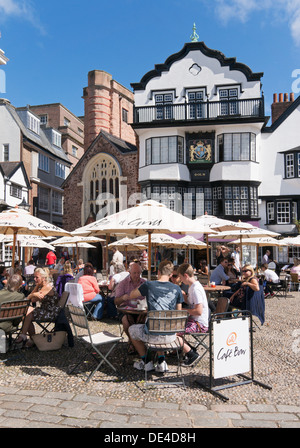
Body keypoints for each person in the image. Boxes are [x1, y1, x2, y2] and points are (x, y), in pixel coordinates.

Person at [128, 260, 184, 373]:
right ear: (171, 274)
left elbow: (131, 295)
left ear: (158, 272)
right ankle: (161, 361)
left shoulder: (149, 285)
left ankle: (146, 361)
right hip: (171, 336)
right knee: (161, 323)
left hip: (153, 336)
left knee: (131, 329)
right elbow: (179, 313)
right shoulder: (177, 289)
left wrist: (142, 289)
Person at [15, 268, 61, 347]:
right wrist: (36, 288)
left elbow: (31, 300)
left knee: (27, 312)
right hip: (45, 310)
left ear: (43, 278)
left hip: (51, 312)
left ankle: (26, 337)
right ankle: (31, 338)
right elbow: (30, 298)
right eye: (34, 277)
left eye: (37, 277)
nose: (34, 279)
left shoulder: (47, 287)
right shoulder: (41, 286)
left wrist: (32, 295)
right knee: (27, 312)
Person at [177, 263, 209, 366]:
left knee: (172, 333)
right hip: (195, 320)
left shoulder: (195, 289)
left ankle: (191, 354)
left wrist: (183, 310)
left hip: (200, 324)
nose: (181, 280)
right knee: (173, 328)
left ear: (185, 275)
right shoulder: (192, 286)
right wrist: (185, 296)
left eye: (181, 277)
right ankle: (189, 349)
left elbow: (199, 311)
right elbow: (192, 303)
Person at [114, 263, 146, 350]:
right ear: (130, 273)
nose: (137, 275)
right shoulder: (123, 283)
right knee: (126, 320)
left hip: (141, 311)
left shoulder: (144, 283)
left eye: (138, 273)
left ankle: (140, 342)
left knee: (146, 320)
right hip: (126, 311)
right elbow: (116, 302)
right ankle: (132, 341)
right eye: (134, 273)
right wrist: (122, 298)